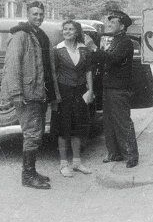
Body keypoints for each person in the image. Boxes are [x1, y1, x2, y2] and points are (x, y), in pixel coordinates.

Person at [1, 1, 60, 190]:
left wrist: (54, 95)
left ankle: (32, 171)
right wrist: (16, 93)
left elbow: (48, 68)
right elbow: (12, 65)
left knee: (37, 133)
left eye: (41, 14)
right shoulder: (20, 36)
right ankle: (27, 175)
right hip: (27, 95)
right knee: (32, 134)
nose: (38, 17)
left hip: (40, 93)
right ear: (27, 14)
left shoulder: (40, 35)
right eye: (35, 14)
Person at [95, 11, 139, 168]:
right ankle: (114, 153)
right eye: (109, 22)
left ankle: (131, 155)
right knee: (109, 122)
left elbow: (112, 59)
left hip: (119, 89)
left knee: (122, 122)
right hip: (109, 87)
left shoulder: (125, 42)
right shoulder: (115, 40)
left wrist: (94, 49)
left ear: (122, 26)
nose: (109, 25)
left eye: (112, 23)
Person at [52, 20, 94, 177]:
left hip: (80, 92)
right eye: (65, 29)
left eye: (71, 29)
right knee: (63, 128)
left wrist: (90, 90)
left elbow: (88, 71)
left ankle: (76, 162)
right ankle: (63, 164)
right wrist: (55, 96)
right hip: (63, 92)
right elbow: (53, 74)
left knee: (78, 127)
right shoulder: (57, 50)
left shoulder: (84, 50)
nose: (67, 31)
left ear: (77, 32)